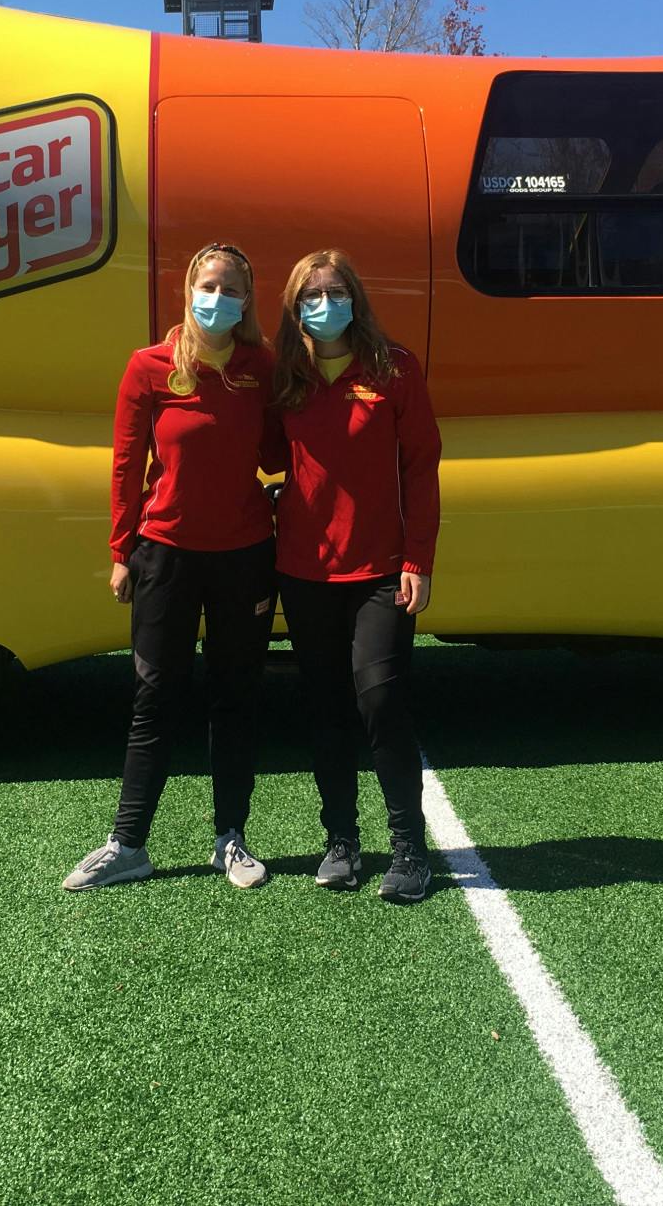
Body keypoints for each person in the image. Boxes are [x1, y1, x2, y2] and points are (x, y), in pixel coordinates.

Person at [64, 243, 279, 892]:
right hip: (165, 554)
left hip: (244, 556)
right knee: (155, 696)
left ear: (247, 300)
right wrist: (120, 552)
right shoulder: (149, 366)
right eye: (208, 285)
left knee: (234, 696)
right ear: (188, 290)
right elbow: (126, 464)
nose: (218, 298)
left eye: (231, 289)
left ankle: (230, 839)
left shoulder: (262, 367)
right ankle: (128, 845)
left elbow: (280, 451)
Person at [268, 249, 441, 904]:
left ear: (356, 298)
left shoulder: (395, 369)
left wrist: (418, 559)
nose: (324, 304)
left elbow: (420, 467)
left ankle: (409, 849)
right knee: (326, 708)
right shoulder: (285, 376)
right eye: (310, 295)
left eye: (335, 292)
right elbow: (258, 450)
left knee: (380, 701)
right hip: (303, 570)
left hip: (381, 571)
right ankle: (341, 841)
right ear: (294, 307)